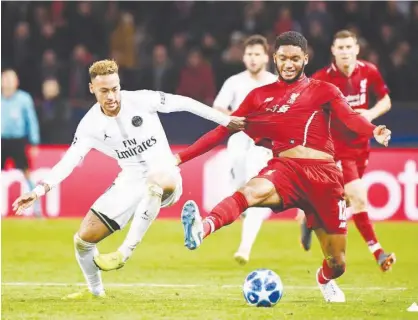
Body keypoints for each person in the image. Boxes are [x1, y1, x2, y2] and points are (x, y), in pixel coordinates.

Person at [175, 32, 391, 303]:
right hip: (286, 170)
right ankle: (201, 229)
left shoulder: (323, 90)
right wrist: (180, 158)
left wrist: (374, 130)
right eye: (283, 58)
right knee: (251, 191)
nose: (289, 64)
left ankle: (324, 279)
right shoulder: (258, 97)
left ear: (305, 59)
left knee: (338, 263)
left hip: (325, 179)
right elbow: (222, 131)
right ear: (275, 59)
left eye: (295, 59)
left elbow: (350, 118)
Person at [12, 59, 245, 299]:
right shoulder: (89, 125)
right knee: (83, 240)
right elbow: (70, 160)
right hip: (130, 181)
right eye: (104, 90)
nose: (112, 96)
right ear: (92, 88)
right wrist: (39, 190)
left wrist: (226, 120)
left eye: (115, 88)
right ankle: (96, 293)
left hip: (166, 174)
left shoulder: (142, 99)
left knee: (156, 179)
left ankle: (124, 252)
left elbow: (184, 103)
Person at [299, 30, 395, 272]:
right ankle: (379, 253)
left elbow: (386, 100)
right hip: (336, 150)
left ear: (356, 49)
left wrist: (370, 115)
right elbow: (305, 113)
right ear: (333, 51)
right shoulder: (322, 79)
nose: (344, 52)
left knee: (343, 198)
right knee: (358, 196)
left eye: (348, 47)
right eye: (340, 48)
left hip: (362, 146)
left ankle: (308, 215)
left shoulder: (369, 71)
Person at [213, 35, 277, 265]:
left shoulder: (275, 82)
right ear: (243, 57)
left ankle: (245, 247)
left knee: (256, 188)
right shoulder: (234, 82)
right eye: (249, 54)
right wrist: (232, 117)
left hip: (263, 143)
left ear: (266, 57)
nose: (252, 58)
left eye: (257, 54)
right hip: (238, 139)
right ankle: (242, 205)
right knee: (240, 186)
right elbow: (218, 106)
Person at [1, 69, 42, 217]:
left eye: (12, 79)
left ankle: (37, 209)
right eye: (5, 79)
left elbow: (31, 121)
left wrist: (34, 142)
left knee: (27, 173)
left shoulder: (24, 99)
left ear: (17, 81)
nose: (9, 82)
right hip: (1, 140)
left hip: (19, 141)